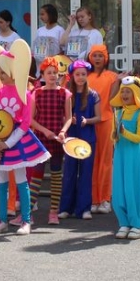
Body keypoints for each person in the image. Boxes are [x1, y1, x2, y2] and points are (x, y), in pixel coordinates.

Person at [0, 40, 48, 235]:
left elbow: (25, 123)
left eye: (3, 72)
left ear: (13, 71)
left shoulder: (26, 94)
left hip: (17, 140)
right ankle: (2, 220)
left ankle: (26, 221)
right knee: (1, 180)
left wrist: (7, 143)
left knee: (21, 180)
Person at [28, 58, 70, 225]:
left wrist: (63, 131)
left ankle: (53, 212)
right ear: (43, 75)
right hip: (40, 139)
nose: (52, 75)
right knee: (36, 175)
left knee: (56, 176)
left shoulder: (65, 93)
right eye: (49, 73)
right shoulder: (36, 93)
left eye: (55, 73)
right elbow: (31, 119)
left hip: (57, 140)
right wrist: (45, 131)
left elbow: (68, 118)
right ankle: (27, 213)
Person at [58, 60, 99, 221]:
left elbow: (99, 117)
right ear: (72, 76)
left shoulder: (93, 95)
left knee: (86, 173)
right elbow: (62, 115)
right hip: (72, 138)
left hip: (88, 138)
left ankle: (84, 208)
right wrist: (68, 120)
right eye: (77, 74)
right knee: (69, 172)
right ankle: (66, 208)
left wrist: (87, 121)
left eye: (83, 74)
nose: (81, 77)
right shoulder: (68, 94)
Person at [110, 76, 140, 239]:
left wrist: (124, 132)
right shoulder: (118, 113)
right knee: (119, 188)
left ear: (136, 94)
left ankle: (137, 224)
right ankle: (123, 222)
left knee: (132, 187)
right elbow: (113, 137)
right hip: (120, 154)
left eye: (128, 91)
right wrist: (115, 135)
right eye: (123, 91)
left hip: (133, 156)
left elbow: (139, 138)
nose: (124, 94)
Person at [88, 44, 119, 215]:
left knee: (106, 161)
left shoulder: (112, 77)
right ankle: (93, 199)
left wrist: (119, 81)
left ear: (106, 58)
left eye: (100, 55)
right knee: (92, 160)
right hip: (90, 122)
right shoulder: (86, 75)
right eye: (95, 55)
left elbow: (112, 99)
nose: (97, 59)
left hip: (106, 120)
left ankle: (105, 199)